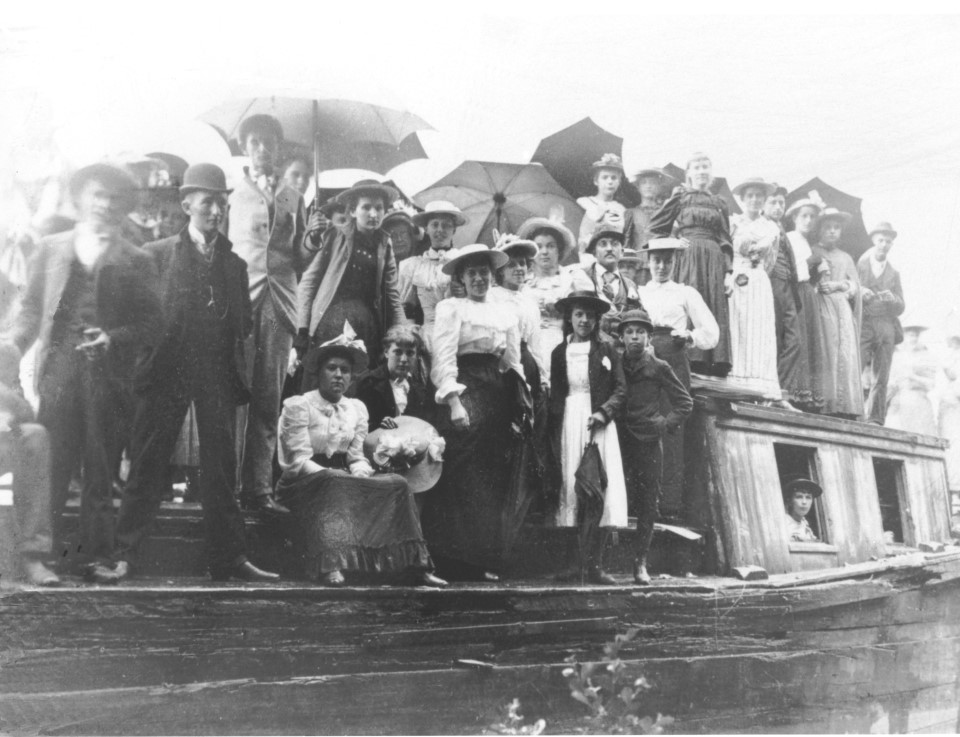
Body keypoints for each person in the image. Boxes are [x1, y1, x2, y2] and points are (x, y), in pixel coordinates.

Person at [102, 163, 278, 584]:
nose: (216, 211)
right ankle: (126, 554)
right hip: (166, 370)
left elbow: (243, 322)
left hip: (216, 371)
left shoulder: (234, 264)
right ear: (186, 205)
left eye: (222, 203)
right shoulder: (158, 254)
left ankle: (230, 558)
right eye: (207, 203)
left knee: (221, 467)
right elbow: (135, 313)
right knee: (148, 462)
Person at [7, 162, 160, 578]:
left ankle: (96, 556)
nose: (103, 205)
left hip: (108, 376)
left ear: (123, 206)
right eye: (96, 195)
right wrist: (10, 348)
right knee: (53, 460)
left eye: (113, 198)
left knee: (100, 465)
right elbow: (30, 312)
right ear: (80, 199)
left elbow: (152, 325)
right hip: (59, 370)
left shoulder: (137, 258)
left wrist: (113, 337)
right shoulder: (51, 248)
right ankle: (44, 555)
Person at [276, 332, 446, 587]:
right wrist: (338, 477)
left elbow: (356, 456)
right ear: (318, 373)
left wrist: (361, 474)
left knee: (397, 483)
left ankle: (415, 565)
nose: (338, 375)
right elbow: (296, 461)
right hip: (302, 483)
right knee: (334, 479)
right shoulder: (299, 406)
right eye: (331, 368)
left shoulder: (356, 408)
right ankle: (331, 564)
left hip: (341, 479)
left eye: (345, 370)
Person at [228, 114, 321, 516]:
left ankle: (259, 490)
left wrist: (313, 237)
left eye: (270, 143)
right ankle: (226, 487)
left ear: (279, 149)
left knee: (268, 400)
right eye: (255, 142)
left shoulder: (293, 197)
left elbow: (299, 256)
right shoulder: (232, 195)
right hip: (241, 302)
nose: (263, 150)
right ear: (245, 148)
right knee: (235, 398)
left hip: (280, 302)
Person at [421, 244, 528, 581]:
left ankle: (484, 558)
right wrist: (453, 402)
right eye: (472, 274)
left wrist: (518, 401)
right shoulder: (451, 308)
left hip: (496, 395)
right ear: (462, 279)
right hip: (465, 392)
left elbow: (511, 362)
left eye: (484, 272)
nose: (479, 279)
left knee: (491, 475)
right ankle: (453, 558)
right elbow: (443, 358)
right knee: (461, 473)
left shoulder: (505, 311)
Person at [547, 290, 628, 584]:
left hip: (598, 423)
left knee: (601, 489)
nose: (584, 320)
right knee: (572, 486)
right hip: (570, 419)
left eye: (590, 316)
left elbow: (620, 390)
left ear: (597, 320)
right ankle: (575, 565)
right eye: (579, 314)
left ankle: (596, 565)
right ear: (570, 317)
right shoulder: (559, 352)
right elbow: (556, 393)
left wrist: (603, 413)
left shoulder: (606, 351)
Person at [296, 179, 407, 391]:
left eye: (379, 208)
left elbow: (393, 295)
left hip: (367, 326)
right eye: (366, 207)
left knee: (360, 388)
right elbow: (308, 283)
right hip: (331, 321)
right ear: (353, 210)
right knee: (328, 384)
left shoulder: (385, 244)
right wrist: (302, 328)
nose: (373, 214)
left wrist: (401, 333)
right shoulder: (334, 235)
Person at [636, 238, 718, 518]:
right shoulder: (638, 292)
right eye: (656, 260)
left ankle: (668, 502)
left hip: (673, 357)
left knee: (671, 425)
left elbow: (711, 332)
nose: (661, 266)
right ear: (648, 262)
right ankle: (641, 501)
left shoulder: (685, 293)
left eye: (667, 260)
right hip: (643, 358)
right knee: (642, 421)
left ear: (675, 262)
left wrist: (690, 336)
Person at [617, 309, 693, 584]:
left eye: (640, 332)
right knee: (613, 497)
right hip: (619, 439)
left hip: (648, 441)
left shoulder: (659, 366)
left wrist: (663, 424)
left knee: (648, 503)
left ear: (649, 336)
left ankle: (640, 563)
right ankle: (600, 561)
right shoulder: (616, 362)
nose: (634, 337)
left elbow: (685, 403)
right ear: (622, 337)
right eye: (629, 332)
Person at [645, 152, 733, 377]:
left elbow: (725, 239)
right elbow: (655, 226)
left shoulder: (719, 202)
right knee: (690, 300)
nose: (702, 171)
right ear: (689, 173)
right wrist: (673, 241)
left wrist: (729, 271)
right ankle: (691, 361)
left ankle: (713, 364)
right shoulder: (681, 197)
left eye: (706, 166)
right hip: (688, 256)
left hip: (713, 259)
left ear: (711, 172)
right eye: (697, 167)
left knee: (711, 305)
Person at [0, 343, 59, 585]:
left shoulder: (4, 353)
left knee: (35, 436)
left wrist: (5, 409)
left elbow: (24, 410)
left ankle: (31, 553)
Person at [728, 179, 785, 401]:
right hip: (736, 279)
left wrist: (756, 272)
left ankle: (762, 387)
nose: (754, 200)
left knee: (759, 331)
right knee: (738, 327)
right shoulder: (733, 223)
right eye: (749, 195)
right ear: (742, 199)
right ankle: (737, 383)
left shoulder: (771, 228)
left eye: (759, 196)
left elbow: (770, 261)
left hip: (759, 281)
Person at [519, 216, 589, 383]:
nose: (544, 252)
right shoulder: (523, 282)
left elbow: (585, 314)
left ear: (559, 250)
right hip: (528, 346)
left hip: (562, 343)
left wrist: (563, 310)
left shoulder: (571, 279)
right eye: (539, 246)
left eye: (550, 246)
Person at [810, 208, 864, 419]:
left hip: (842, 308)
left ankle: (846, 405)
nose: (832, 232)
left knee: (845, 352)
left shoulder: (846, 257)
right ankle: (826, 404)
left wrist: (841, 284)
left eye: (836, 228)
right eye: (828, 228)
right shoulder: (813, 250)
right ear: (820, 230)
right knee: (827, 349)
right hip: (821, 306)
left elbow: (856, 287)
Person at [764, 187, 811, 408]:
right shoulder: (760, 226)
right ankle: (770, 394)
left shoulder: (781, 228)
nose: (778, 207)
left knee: (794, 342)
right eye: (773, 202)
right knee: (772, 339)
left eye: (781, 203)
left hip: (787, 289)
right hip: (769, 285)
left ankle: (779, 392)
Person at [397, 201, 466, 350]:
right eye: (435, 225)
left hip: (460, 334)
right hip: (427, 336)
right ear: (426, 229)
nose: (440, 230)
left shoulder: (464, 261)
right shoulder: (414, 266)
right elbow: (405, 307)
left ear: (454, 230)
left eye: (446, 225)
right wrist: (412, 331)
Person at [858, 221, 905, 425]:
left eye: (888, 241)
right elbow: (849, 287)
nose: (884, 245)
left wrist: (893, 299)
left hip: (886, 325)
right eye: (881, 240)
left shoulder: (894, 273)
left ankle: (875, 418)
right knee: (855, 366)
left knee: (882, 374)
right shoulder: (860, 265)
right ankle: (851, 410)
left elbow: (902, 305)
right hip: (865, 322)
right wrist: (861, 291)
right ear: (873, 240)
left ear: (892, 244)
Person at [490, 233, 547, 397]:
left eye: (522, 263)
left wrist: (542, 376)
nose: (519, 269)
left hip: (526, 361)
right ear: (500, 271)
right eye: (511, 265)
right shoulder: (492, 297)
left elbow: (535, 344)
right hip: (501, 362)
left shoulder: (529, 302)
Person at [350, 324, 435, 431]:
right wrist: (379, 426)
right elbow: (356, 425)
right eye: (398, 352)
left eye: (410, 353)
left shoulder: (418, 388)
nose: (404, 359)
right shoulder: (369, 382)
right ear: (386, 352)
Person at [785, 198, 827, 411]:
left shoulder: (806, 242)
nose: (809, 220)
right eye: (804, 216)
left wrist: (818, 270)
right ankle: (795, 394)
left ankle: (808, 397)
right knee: (798, 339)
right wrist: (811, 263)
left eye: (812, 217)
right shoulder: (790, 238)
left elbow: (809, 275)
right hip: (797, 293)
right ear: (794, 218)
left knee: (810, 340)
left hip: (809, 294)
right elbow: (794, 271)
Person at [579, 229, 641, 334]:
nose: (609, 249)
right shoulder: (581, 277)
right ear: (594, 252)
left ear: (621, 252)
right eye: (603, 244)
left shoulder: (630, 285)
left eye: (615, 244)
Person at [886, 323, 937, 435]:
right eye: (910, 335)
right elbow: (891, 380)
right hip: (899, 400)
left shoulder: (925, 356)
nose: (913, 339)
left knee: (919, 433)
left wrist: (912, 376)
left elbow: (931, 384)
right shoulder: (897, 355)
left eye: (916, 336)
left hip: (918, 400)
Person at [623, 167, 672, 285]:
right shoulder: (631, 213)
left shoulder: (666, 213)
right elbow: (626, 243)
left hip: (661, 266)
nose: (648, 186)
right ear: (638, 187)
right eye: (644, 183)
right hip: (639, 268)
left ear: (660, 187)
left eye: (653, 182)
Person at [577, 154, 627, 253]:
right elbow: (580, 237)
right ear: (596, 181)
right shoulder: (584, 203)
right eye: (605, 177)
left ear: (619, 182)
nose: (610, 181)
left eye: (614, 178)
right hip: (588, 255)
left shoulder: (621, 209)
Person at [937, 326, 960, 493]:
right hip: (948, 406)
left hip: (955, 405)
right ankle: (951, 483)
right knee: (950, 443)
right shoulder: (946, 357)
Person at [783, 478, 821, 542]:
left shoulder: (804, 524)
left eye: (808, 497)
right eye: (799, 497)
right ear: (789, 501)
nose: (804, 502)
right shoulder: (784, 523)